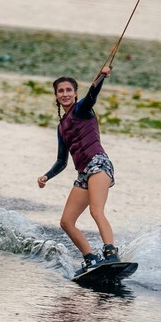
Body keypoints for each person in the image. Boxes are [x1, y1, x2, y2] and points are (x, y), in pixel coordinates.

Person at [37, 65, 120, 275]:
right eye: (60, 91)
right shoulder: (61, 127)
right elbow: (61, 161)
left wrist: (101, 76)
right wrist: (47, 176)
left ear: (75, 94)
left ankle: (111, 253)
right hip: (84, 172)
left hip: (99, 164)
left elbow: (92, 95)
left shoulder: (82, 109)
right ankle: (90, 258)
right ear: (56, 96)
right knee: (66, 222)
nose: (64, 94)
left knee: (96, 210)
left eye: (68, 90)